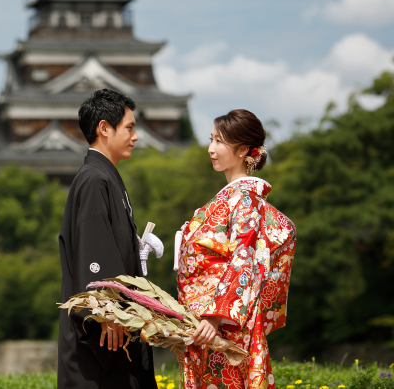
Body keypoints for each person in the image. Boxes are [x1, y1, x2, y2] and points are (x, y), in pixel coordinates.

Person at [175, 109, 296, 389]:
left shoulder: (244, 199)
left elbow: (243, 260)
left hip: (222, 323)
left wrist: (216, 317)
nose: (210, 149)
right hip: (206, 318)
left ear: (242, 151)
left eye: (219, 142)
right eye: (211, 140)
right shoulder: (233, 197)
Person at [58, 88, 159, 389]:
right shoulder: (94, 179)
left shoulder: (104, 176)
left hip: (114, 332)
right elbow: (94, 249)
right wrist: (107, 312)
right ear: (104, 128)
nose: (135, 136)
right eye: (129, 127)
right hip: (105, 334)